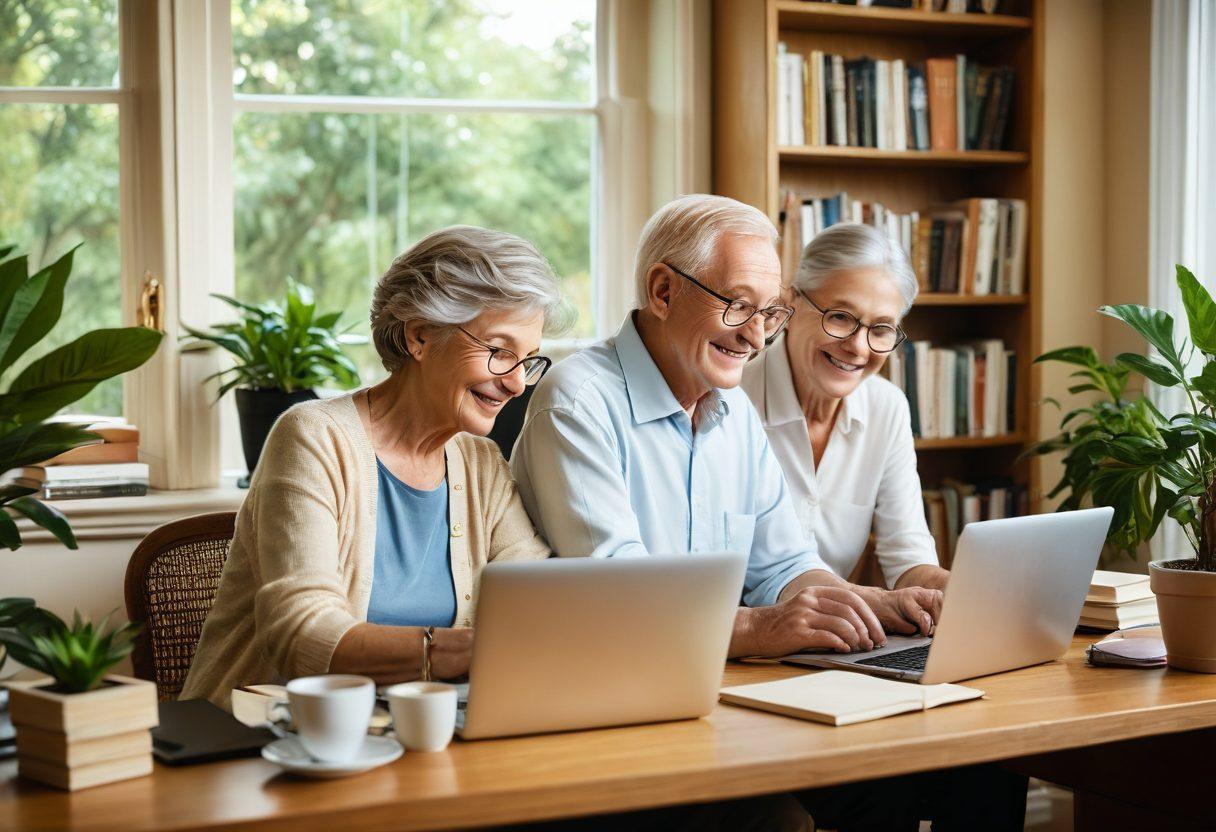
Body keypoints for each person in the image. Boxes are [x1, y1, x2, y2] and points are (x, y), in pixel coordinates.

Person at [511, 194, 942, 659]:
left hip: (704, 676)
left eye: (768, 314)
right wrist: (759, 627)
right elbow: (620, 596)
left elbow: (783, 564)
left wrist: (860, 605)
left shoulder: (733, 408)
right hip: (603, 676)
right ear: (663, 292)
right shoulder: (578, 402)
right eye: (737, 305)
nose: (755, 336)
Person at [182, 226, 560, 709]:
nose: (515, 384)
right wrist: (460, 651)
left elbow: (535, 602)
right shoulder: (313, 437)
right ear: (420, 335)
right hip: (261, 743)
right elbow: (302, 634)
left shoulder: (480, 465)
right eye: (500, 351)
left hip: (411, 735)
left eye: (527, 360)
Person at [740, 222, 948, 592]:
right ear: (791, 302)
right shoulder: (732, 400)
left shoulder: (887, 407)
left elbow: (908, 556)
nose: (859, 347)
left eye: (881, 328)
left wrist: (964, 591)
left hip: (832, 635)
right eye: (840, 317)